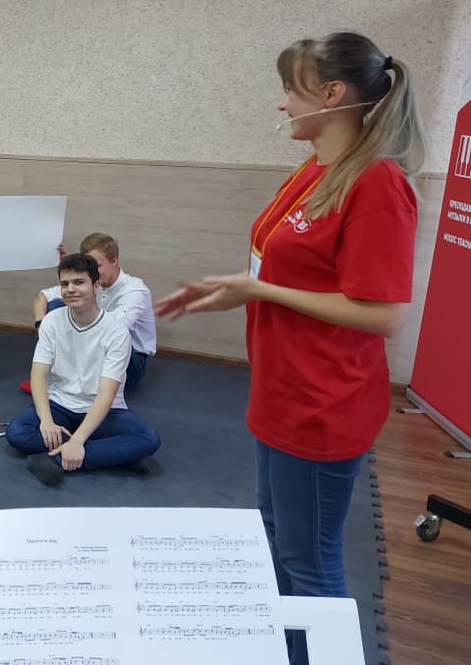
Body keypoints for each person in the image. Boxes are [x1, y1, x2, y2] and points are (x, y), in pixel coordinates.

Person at [154, 33, 423, 665]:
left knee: (310, 561)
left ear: (331, 94)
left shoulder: (377, 183)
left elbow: (383, 314)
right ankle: (285, 651)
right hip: (280, 389)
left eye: (289, 90)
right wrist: (235, 291)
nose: (281, 105)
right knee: (273, 537)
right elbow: (286, 269)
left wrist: (259, 290)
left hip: (322, 404)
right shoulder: (315, 170)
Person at [7, 253, 160, 486]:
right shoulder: (51, 321)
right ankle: (112, 454)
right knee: (17, 432)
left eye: (79, 282)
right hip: (60, 404)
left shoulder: (116, 331)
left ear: (96, 286)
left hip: (105, 410)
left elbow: (106, 395)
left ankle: (55, 459)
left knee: (148, 439)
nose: (70, 289)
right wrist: (46, 421)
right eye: (65, 284)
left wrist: (78, 441)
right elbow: (38, 375)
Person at [24, 232, 156, 393]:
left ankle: (68, 380)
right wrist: (41, 326)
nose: (93, 272)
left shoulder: (135, 290)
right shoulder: (89, 281)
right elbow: (42, 298)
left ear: (114, 261)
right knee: (56, 307)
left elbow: (112, 330)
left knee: (98, 331)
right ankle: (67, 378)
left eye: (97, 266)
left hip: (128, 360)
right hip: (90, 349)